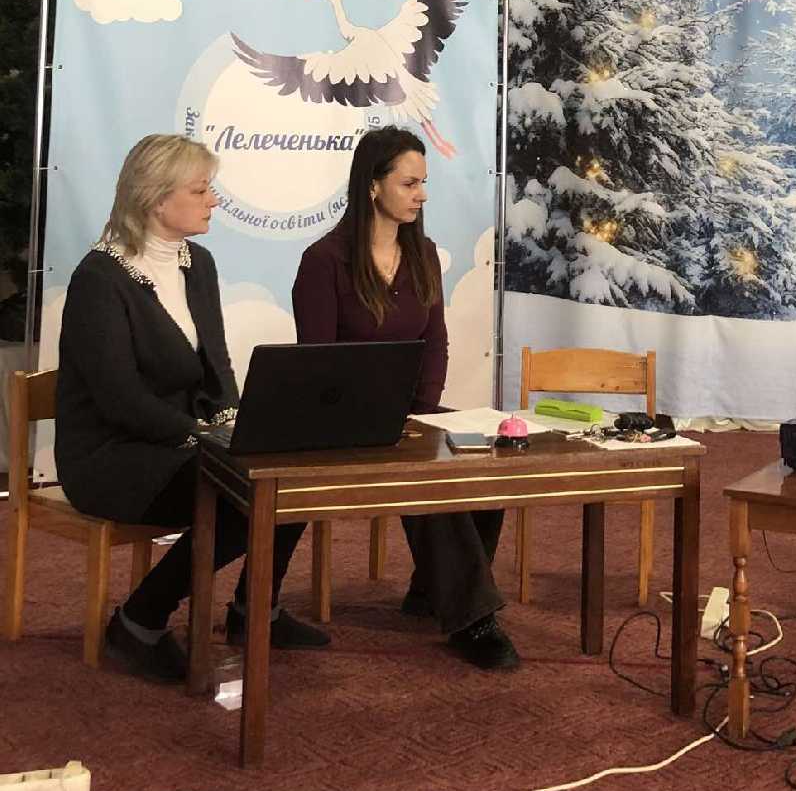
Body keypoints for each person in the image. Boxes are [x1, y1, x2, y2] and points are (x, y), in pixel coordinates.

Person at [56, 134, 328, 683]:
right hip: (111, 455)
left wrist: (236, 424)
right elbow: (119, 399)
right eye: (201, 190)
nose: (213, 200)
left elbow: (217, 366)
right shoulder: (98, 280)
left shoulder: (197, 263)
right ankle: (139, 621)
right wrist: (201, 436)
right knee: (237, 492)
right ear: (158, 199)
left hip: (182, 442)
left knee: (289, 469)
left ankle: (255, 611)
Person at [291, 125, 518, 671]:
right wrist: (394, 421)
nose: (422, 195)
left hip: (410, 412)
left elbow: (434, 343)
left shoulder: (423, 255)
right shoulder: (324, 261)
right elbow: (317, 365)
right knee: (426, 470)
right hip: (342, 423)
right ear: (373, 186)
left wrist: (422, 411)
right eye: (410, 183)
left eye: (424, 183)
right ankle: (472, 619)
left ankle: (430, 592)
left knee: (485, 464)